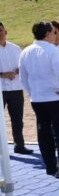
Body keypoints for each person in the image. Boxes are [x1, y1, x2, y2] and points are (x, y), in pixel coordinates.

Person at [19, 22, 59, 179]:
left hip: (37, 99)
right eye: (53, 32)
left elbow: (23, 78)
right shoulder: (53, 51)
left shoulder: (25, 52)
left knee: (43, 132)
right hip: (56, 98)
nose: (55, 35)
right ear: (48, 33)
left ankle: (50, 166)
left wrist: (31, 93)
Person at [0, 23, 32, 154]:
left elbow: (24, 66)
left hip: (16, 89)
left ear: (6, 32)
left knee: (18, 120)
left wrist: (20, 70)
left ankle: (19, 145)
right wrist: (2, 74)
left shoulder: (16, 48)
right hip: (0, 90)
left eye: (1, 30)